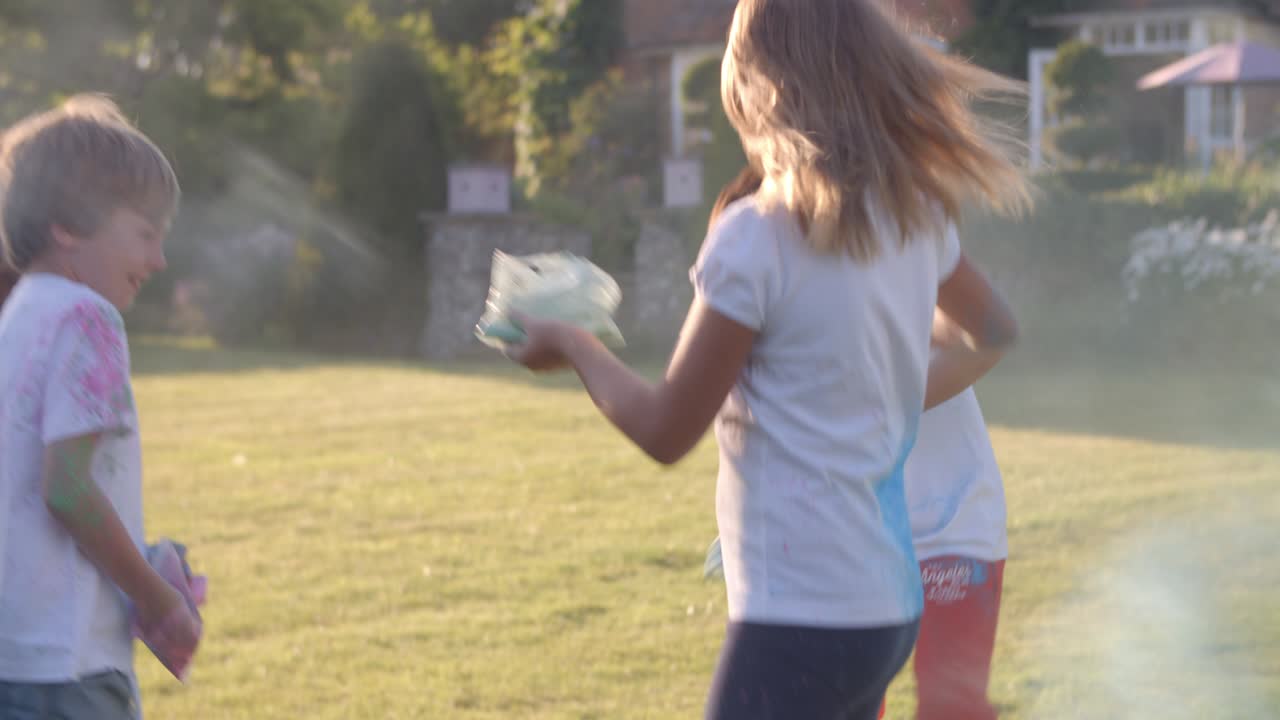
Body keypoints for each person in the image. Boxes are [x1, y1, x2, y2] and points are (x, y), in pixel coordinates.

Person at [504, 0, 1029, 716]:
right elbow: (994, 332)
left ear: (755, 82)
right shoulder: (914, 215)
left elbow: (664, 431)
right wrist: (888, 393)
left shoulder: (754, 239)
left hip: (797, 621)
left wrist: (573, 343)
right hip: (885, 610)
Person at [0, 94, 200, 720]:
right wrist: (157, 597)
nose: (158, 260)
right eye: (145, 233)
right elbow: (67, 491)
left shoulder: (15, 318)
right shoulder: (89, 318)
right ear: (68, 225)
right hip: (73, 668)